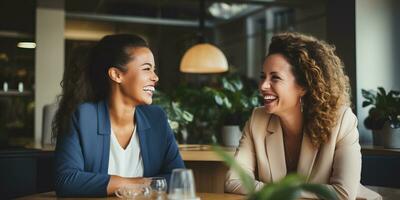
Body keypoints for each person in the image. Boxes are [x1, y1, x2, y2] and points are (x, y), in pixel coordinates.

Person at [225, 32, 381, 200]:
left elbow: (343, 194)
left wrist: (280, 192)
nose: (263, 86)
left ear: (304, 86)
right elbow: (234, 181)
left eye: (275, 78)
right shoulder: (258, 119)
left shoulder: (342, 121)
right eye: (263, 76)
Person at [53, 34, 185, 197]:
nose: (155, 77)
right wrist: (139, 183)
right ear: (116, 75)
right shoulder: (84, 117)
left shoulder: (156, 118)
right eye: (146, 69)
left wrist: (128, 185)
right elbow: (66, 181)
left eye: (154, 70)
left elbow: (178, 178)